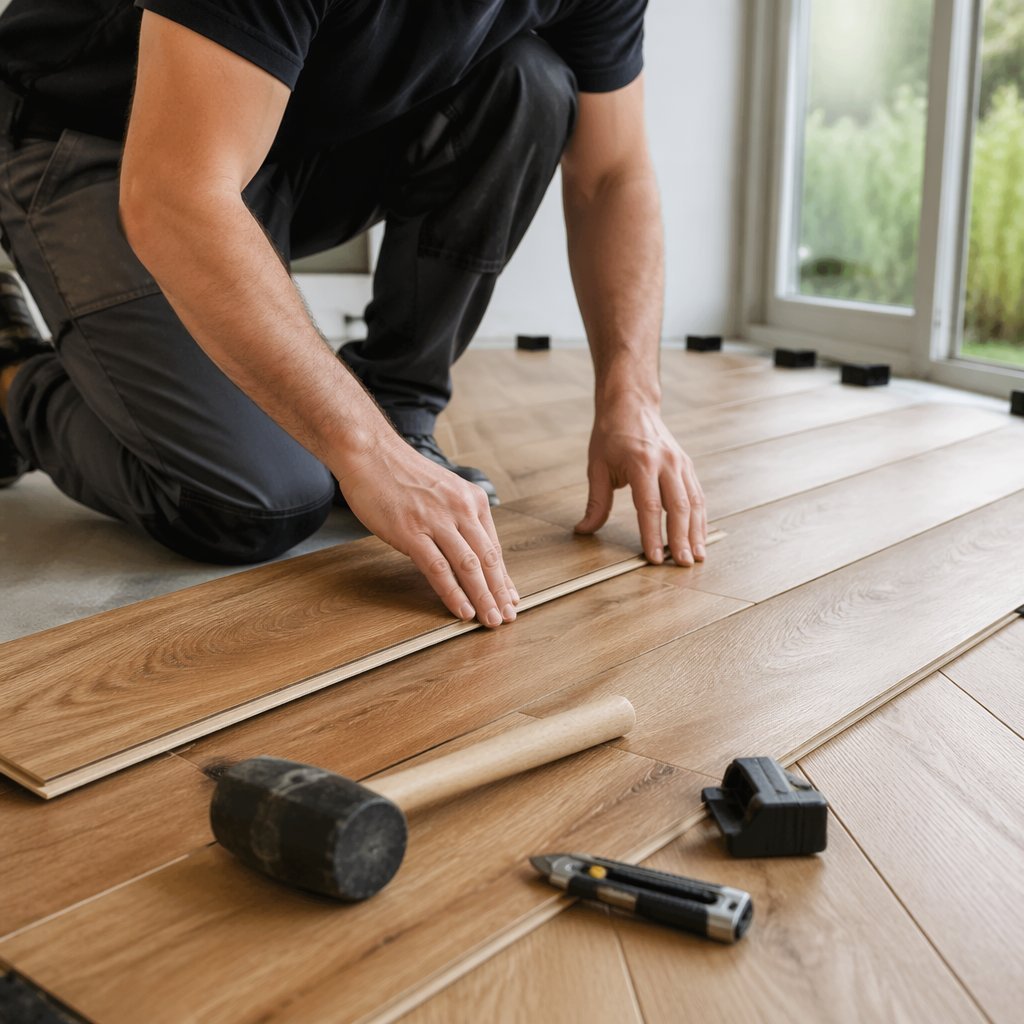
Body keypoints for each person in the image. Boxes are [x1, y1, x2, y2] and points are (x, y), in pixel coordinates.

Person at [0, 0, 706, 630]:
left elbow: (611, 174)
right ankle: (11, 379)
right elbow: (174, 197)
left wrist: (631, 397)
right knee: (251, 505)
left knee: (530, 81)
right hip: (99, 139)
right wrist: (358, 451)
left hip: (280, 139)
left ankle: (401, 412)